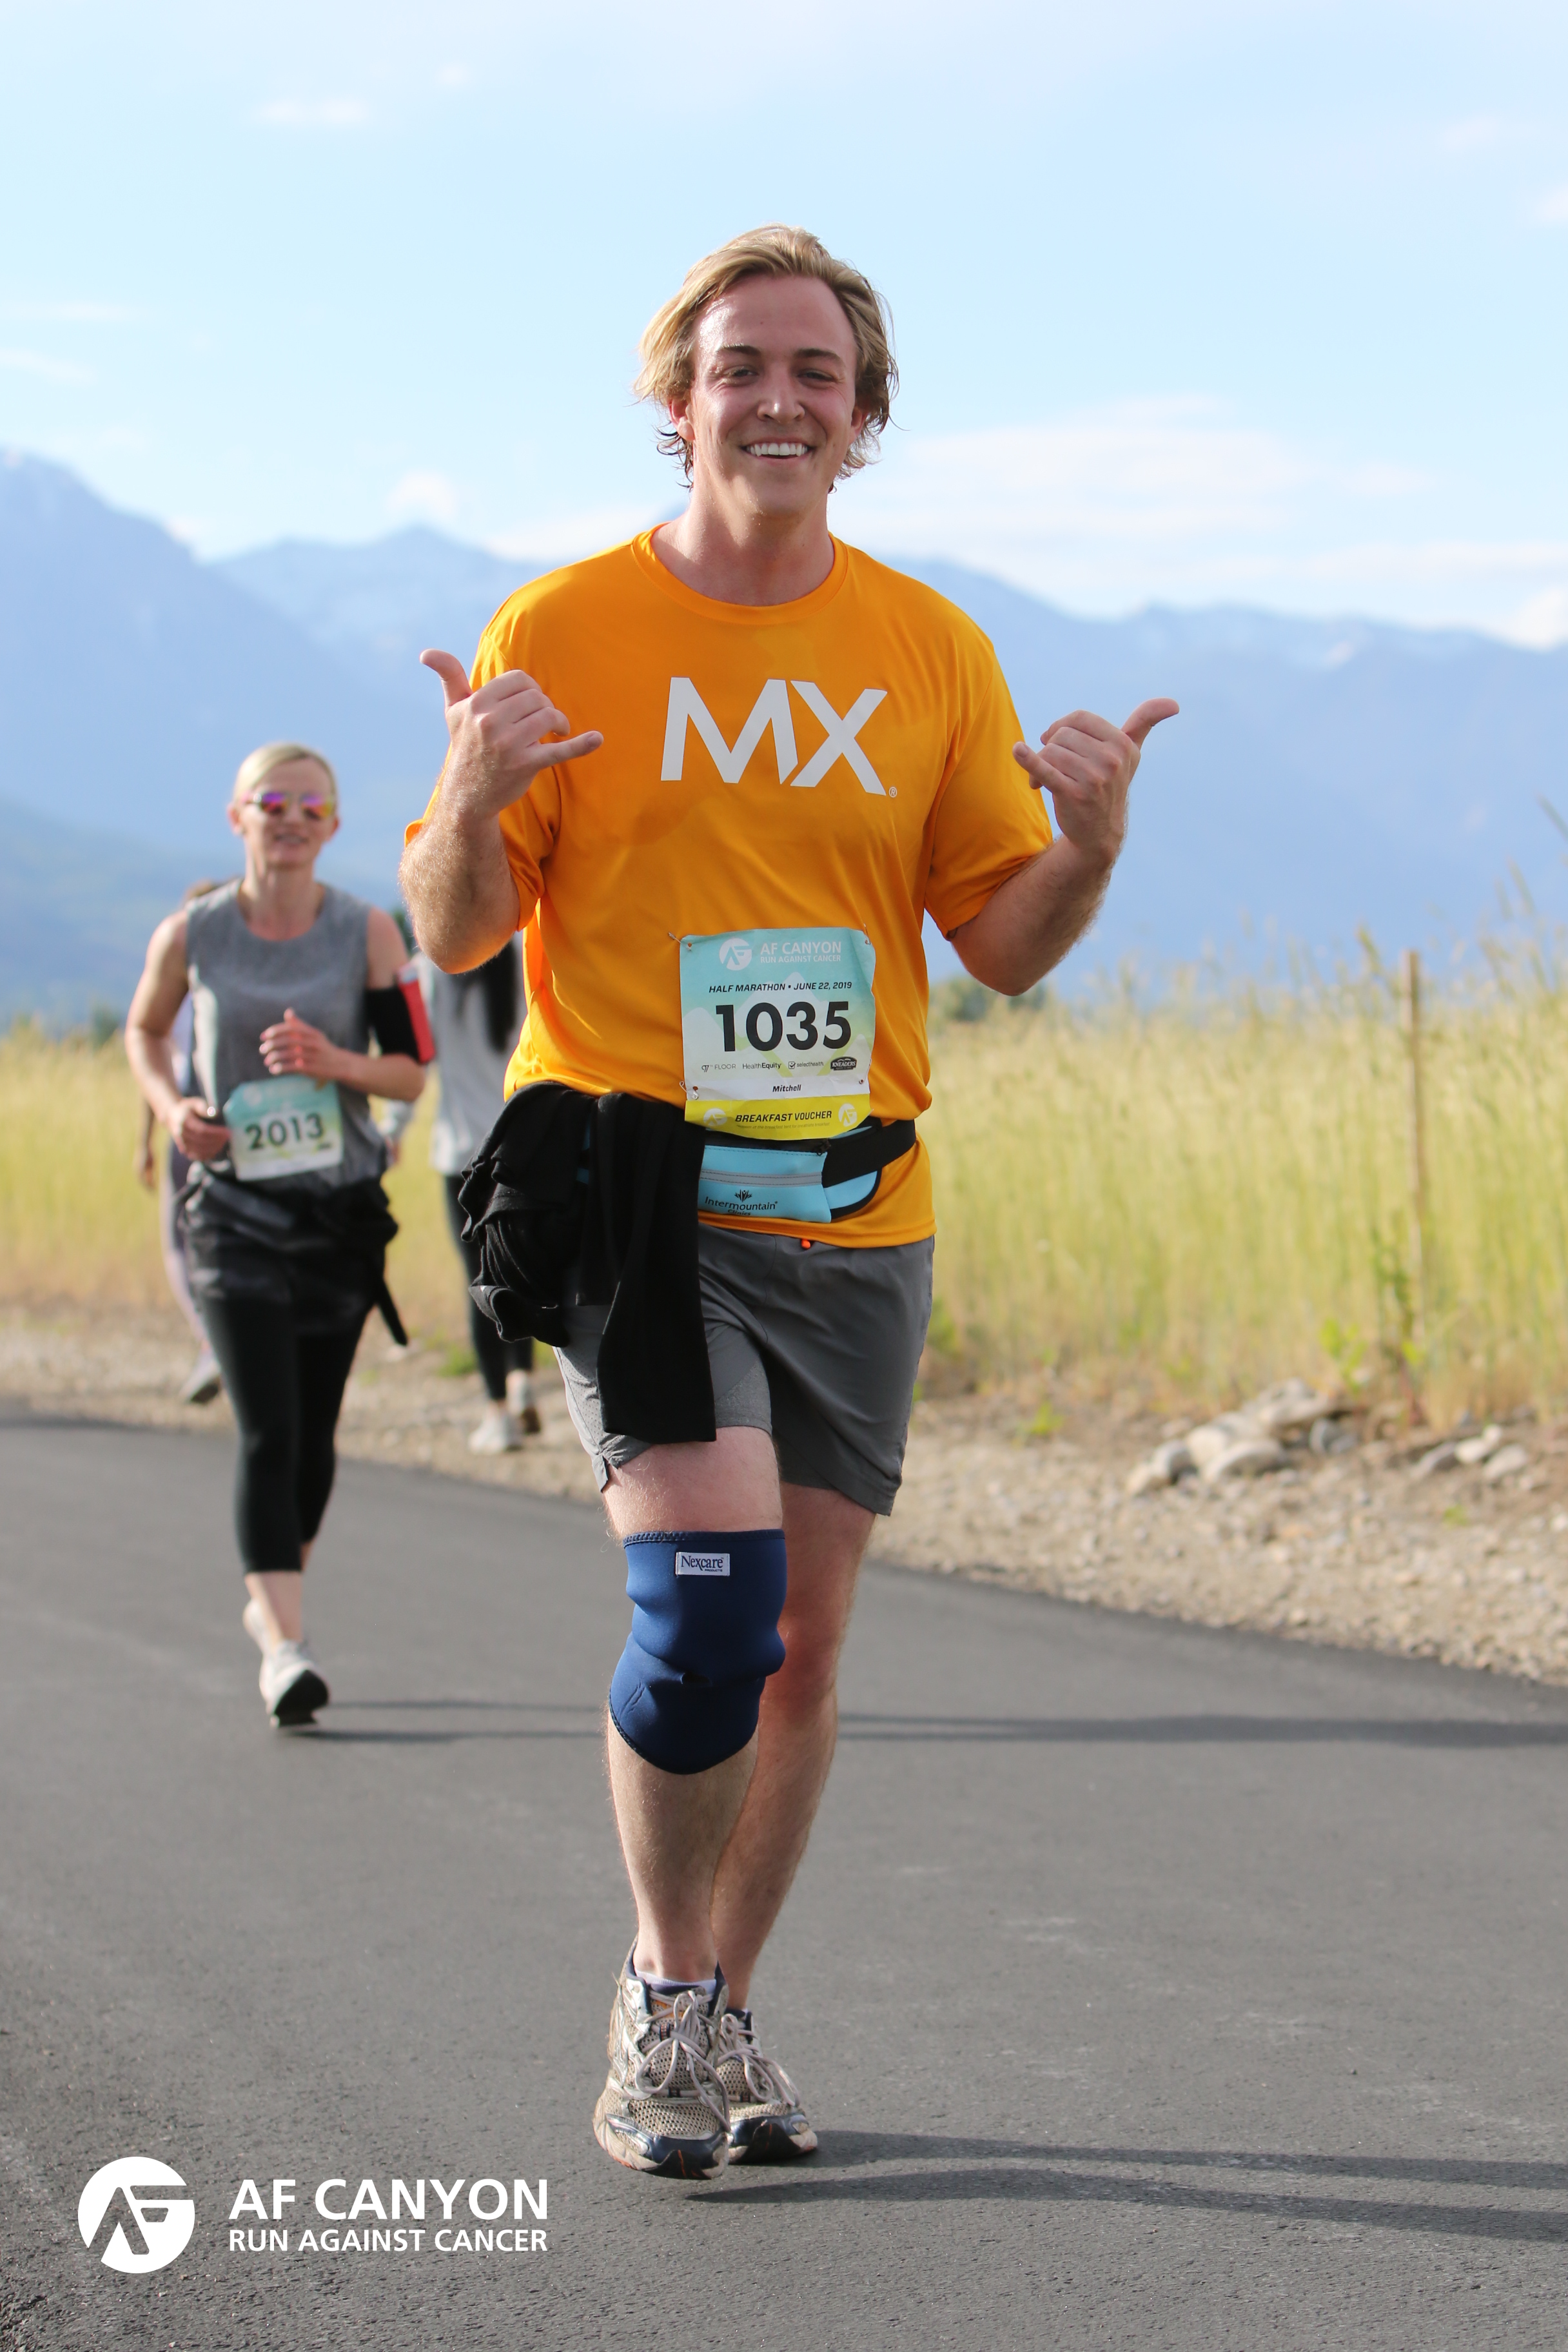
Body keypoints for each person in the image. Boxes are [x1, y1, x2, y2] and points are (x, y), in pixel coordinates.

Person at [400, 224, 1177, 2177]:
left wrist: (1088, 848)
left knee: (801, 1653)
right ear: (677, 404)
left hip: (855, 1200)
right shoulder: (564, 624)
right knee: (707, 1612)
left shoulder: (929, 648)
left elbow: (1001, 944)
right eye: (738, 366)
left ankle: (724, 2014)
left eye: (815, 371)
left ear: (863, 417)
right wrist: (467, 796)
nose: (776, 398)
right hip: (635, 1188)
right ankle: (661, 1999)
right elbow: (464, 931)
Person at [126, 743, 431, 1727]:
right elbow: (144, 1030)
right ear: (238, 818)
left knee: (313, 1437)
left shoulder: (368, 931)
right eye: (273, 802)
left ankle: (270, 1597)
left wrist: (334, 1061)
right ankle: (288, 1648)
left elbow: (410, 1070)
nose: (291, 818)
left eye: (311, 806)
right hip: (233, 1212)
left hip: (337, 1214)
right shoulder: (195, 932)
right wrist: (173, 1109)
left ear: (333, 825)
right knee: (267, 1429)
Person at [384, 941, 542, 1451]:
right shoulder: (522, 954)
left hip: (461, 1154)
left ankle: (498, 1412)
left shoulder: (431, 971)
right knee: (518, 1273)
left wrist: (393, 1129)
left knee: (478, 1282)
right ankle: (522, 1381)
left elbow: (417, 1058)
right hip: (521, 1148)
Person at [133, 879, 229, 1406]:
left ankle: (212, 1340)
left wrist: (147, 1138)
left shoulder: (185, 986)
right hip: (221, 1121)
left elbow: (156, 1065)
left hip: (190, 1124)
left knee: (179, 1240)